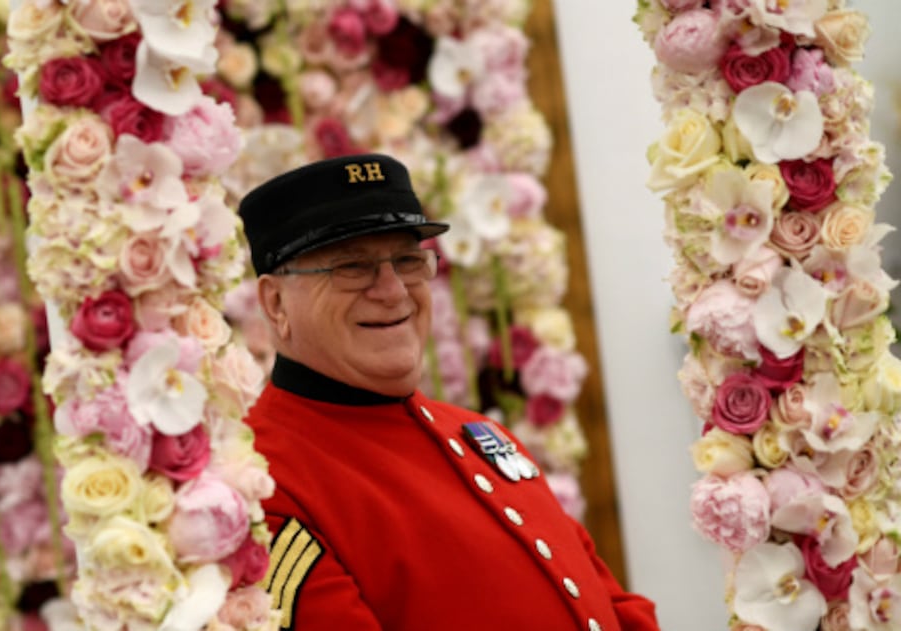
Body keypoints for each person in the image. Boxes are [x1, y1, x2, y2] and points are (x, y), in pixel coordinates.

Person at [237, 153, 660, 630]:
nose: (393, 290)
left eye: (407, 260)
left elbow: (607, 602)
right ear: (275, 303)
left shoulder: (474, 432)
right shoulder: (260, 480)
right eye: (352, 267)